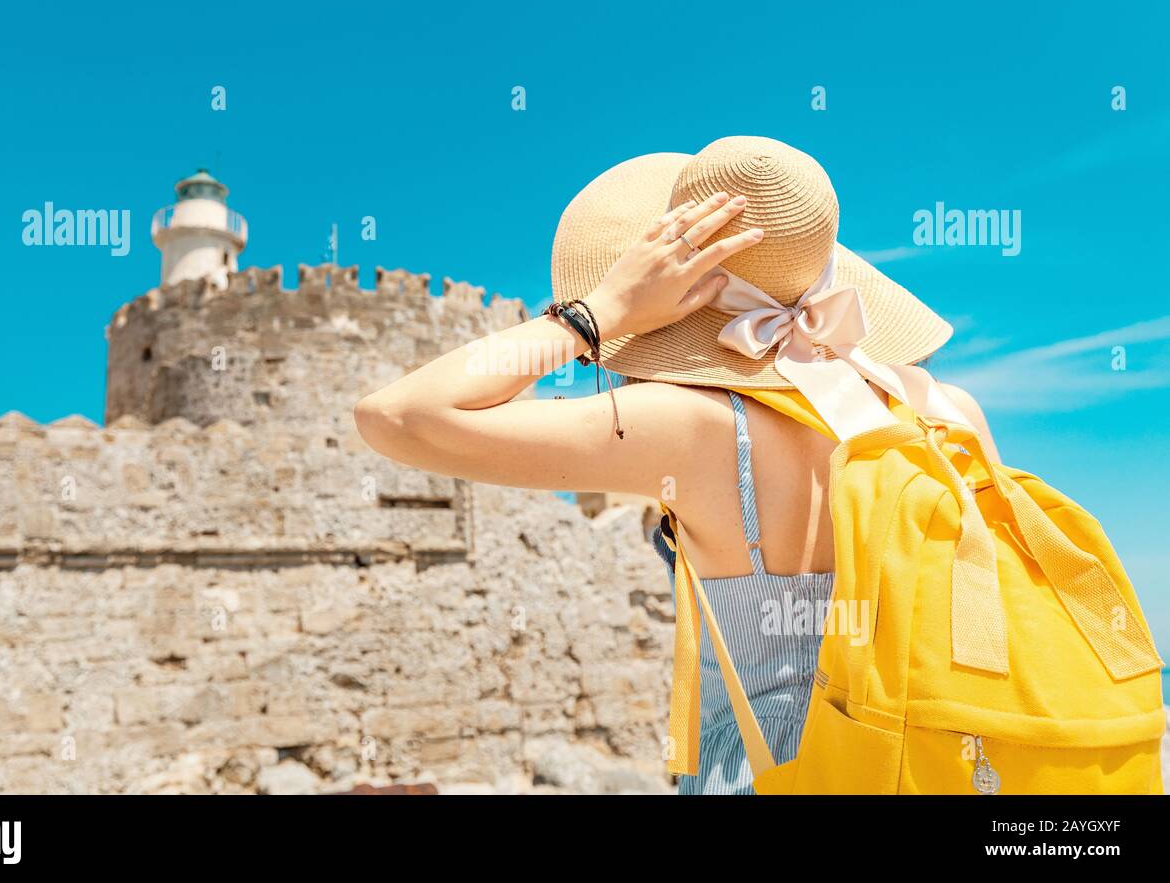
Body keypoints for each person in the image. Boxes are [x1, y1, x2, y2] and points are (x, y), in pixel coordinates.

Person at [354, 136, 998, 794]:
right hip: (946, 771)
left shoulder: (692, 429)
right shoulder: (949, 413)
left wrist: (596, 313)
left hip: (770, 771)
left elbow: (397, 417)